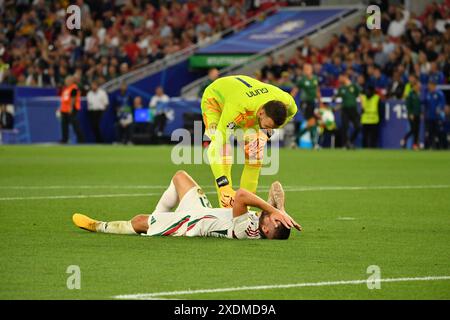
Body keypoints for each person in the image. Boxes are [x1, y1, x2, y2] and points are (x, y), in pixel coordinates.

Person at [72, 170, 302, 240]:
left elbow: (241, 195)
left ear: (265, 229)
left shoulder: (246, 231)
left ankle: (98, 226)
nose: (275, 216)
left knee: (140, 222)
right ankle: (157, 220)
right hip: (201, 211)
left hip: (191, 224)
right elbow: (276, 186)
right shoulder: (266, 221)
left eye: (276, 220)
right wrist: (280, 209)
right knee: (181, 176)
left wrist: (274, 210)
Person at [201, 75, 297, 208]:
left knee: (255, 154)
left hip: (247, 107)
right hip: (216, 102)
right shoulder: (237, 108)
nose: (268, 130)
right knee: (223, 149)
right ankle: (227, 206)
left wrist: (265, 134)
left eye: (272, 128)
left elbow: (291, 114)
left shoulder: (287, 101)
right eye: (267, 126)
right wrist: (223, 185)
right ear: (261, 113)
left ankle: (244, 209)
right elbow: (213, 149)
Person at [291, 63, 321, 149]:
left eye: (308, 69)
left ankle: (295, 141)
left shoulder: (315, 79)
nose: (306, 71)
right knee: (312, 121)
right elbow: (295, 91)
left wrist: (320, 102)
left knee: (311, 123)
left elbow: (317, 91)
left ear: (311, 70)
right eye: (305, 69)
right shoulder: (302, 80)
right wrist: (289, 100)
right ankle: (314, 143)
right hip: (304, 103)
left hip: (312, 103)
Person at [334, 74, 361, 149]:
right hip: (345, 110)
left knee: (358, 127)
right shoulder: (341, 88)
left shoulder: (354, 86)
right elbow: (335, 97)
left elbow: (359, 95)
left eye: (340, 78)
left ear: (345, 77)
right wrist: (336, 106)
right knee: (345, 128)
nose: (339, 80)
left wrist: (363, 106)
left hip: (353, 109)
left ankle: (350, 141)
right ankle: (346, 144)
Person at [59, 76, 84, 144]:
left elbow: (73, 98)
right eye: (66, 80)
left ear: (71, 81)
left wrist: (71, 107)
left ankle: (81, 140)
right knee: (64, 125)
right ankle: (64, 139)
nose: (66, 82)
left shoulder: (74, 88)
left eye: (67, 80)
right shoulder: (66, 88)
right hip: (64, 110)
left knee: (75, 125)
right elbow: (64, 100)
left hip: (71, 109)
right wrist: (60, 109)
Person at [424, 81, 447, 149]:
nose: (429, 87)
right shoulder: (428, 94)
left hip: (438, 117)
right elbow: (425, 104)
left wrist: (439, 109)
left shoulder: (439, 94)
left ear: (433, 85)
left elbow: (442, 103)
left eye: (430, 85)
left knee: (440, 132)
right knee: (430, 133)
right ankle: (432, 146)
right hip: (430, 117)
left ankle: (442, 146)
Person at [401, 82, 422, 150]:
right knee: (413, 129)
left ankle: (415, 145)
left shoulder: (418, 94)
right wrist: (410, 113)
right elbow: (408, 104)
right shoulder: (410, 94)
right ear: (414, 86)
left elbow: (419, 105)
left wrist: (421, 113)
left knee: (417, 130)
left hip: (417, 114)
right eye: (418, 86)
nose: (419, 88)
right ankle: (404, 139)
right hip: (412, 115)